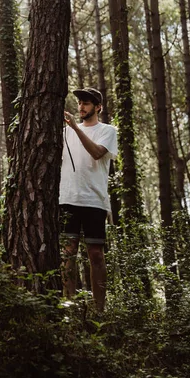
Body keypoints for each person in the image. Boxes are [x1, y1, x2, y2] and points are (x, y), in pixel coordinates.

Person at [59, 87, 118, 312]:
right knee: (68, 253)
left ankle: (99, 310)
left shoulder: (108, 130)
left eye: (86, 103)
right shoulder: (65, 133)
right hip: (67, 198)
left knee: (95, 254)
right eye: (80, 102)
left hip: (94, 200)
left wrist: (74, 127)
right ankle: (70, 306)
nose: (81, 107)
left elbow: (96, 152)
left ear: (98, 107)